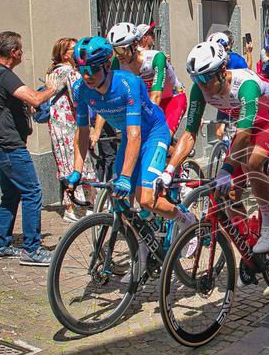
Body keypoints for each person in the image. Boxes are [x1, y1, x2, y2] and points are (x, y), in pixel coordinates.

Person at [67, 37, 197, 264]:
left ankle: (186, 219)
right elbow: (82, 132)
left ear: (107, 66)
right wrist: (76, 171)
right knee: (120, 200)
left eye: (92, 69)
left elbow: (136, 134)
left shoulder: (128, 83)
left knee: (146, 199)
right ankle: (142, 243)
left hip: (153, 133)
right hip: (130, 135)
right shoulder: (80, 89)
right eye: (81, 69)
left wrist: (126, 177)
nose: (86, 75)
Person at [166, 41, 269, 252]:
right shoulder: (200, 90)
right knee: (230, 193)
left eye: (205, 77)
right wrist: (169, 170)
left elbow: (243, 135)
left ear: (222, 70)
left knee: (252, 162)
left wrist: (226, 169)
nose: (202, 84)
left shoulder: (245, 85)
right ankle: (248, 241)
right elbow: (189, 134)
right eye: (196, 78)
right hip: (247, 127)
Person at [0, 31, 62, 266]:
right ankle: (32, 249)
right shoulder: (3, 75)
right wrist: (54, 87)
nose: (22, 54)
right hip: (9, 145)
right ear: (14, 52)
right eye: (21, 50)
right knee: (32, 192)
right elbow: (35, 99)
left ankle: (0, 244)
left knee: (11, 194)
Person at [44, 37, 96, 222]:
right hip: (70, 123)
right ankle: (78, 208)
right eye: (73, 50)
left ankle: (70, 206)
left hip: (57, 124)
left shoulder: (54, 71)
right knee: (78, 162)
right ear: (64, 54)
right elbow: (78, 98)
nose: (77, 53)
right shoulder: (69, 72)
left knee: (65, 164)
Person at [106, 22, 187, 135]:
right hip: (147, 103)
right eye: (115, 50)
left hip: (172, 99)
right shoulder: (118, 62)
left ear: (134, 45)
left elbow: (156, 95)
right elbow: (109, 94)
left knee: (162, 137)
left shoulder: (156, 57)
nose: (118, 55)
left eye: (121, 49)